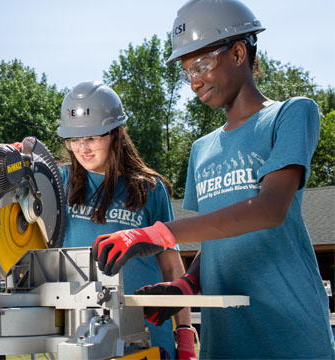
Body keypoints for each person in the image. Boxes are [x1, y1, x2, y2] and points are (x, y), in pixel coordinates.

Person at [92, 0, 335, 358]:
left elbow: (269, 210)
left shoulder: (291, 114)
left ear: (239, 52)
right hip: (227, 340)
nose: (194, 83)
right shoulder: (202, 150)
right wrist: (187, 285)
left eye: (202, 65)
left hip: (289, 332)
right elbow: (219, 240)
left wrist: (160, 233)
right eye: (187, 72)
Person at [57, 81, 195, 359]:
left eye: (92, 138)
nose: (82, 148)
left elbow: (170, 266)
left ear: (116, 134)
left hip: (146, 330)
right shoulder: (59, 183)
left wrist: (185, 333)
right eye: (74, 140)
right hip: (80, 331)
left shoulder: (149, 189)